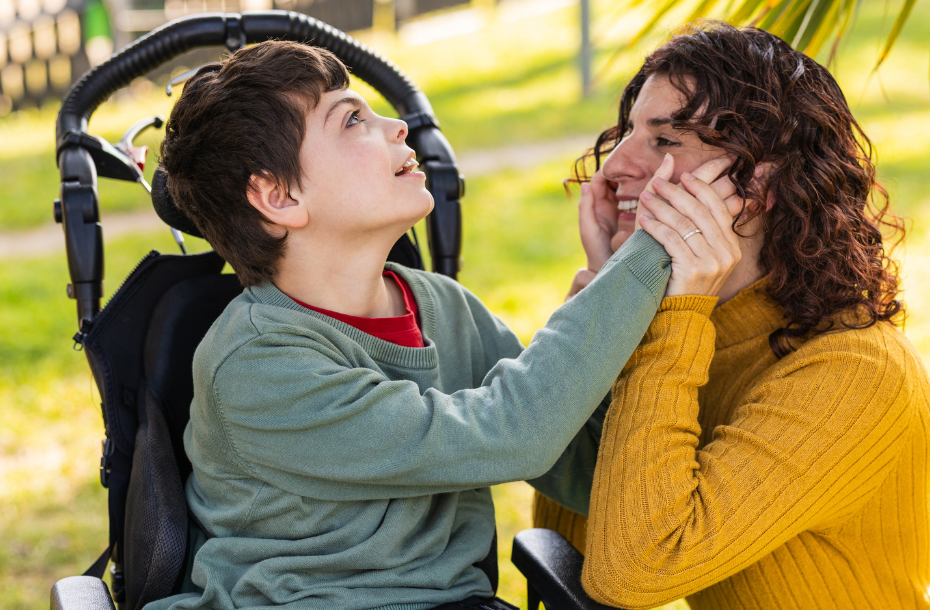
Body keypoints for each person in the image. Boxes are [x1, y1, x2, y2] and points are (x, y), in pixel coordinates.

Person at [145, 40, 740, 610]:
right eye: (351, 121)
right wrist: (658, 243)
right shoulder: (258, 366)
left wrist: (609, 276)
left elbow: (586, 468)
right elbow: (512, 432)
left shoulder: (445, 310)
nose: (396, 125)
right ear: (277, 197)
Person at [532, 21, 930, 610]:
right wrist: (609, 306)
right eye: (625, 134)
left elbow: (635, 571)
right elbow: (576, 549)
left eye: (665, 141)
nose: (614, 167)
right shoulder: (693, 329)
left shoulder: (853, 374)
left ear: (757, 184)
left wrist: (666, 313)